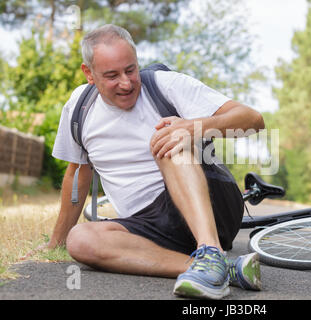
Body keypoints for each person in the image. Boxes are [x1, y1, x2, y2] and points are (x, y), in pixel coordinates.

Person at [47, 24, 265, 299]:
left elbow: (253, 120)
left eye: (130, 70)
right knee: (80, 240)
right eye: (112, 76)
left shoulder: (165, 85)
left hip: (209, 205)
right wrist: (57, 242)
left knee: (167, 137)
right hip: (148, 226)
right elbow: (77, 175)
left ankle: (211, 250)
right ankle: (222, 269)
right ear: (89, 73)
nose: (126, 83)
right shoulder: (79, 107)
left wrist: (194, 127)